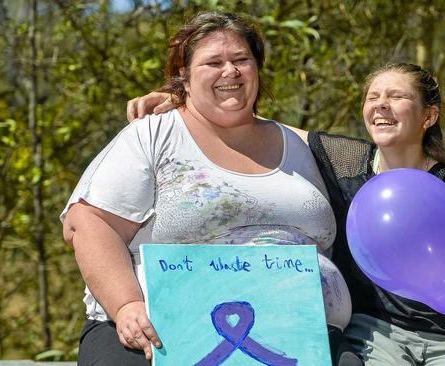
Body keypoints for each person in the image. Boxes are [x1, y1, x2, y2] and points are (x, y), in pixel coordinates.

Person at [130, 63, 445, 365]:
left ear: (428, 115)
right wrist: (190, 103)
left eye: (397, 96)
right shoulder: (346, 160)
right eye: (373, 97)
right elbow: (264, 127)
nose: (381, 105)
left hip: (443, 340)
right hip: (372, 334)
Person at [61, 11, 360, 366]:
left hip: (297, 332)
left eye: (241, 60)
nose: (230, 71)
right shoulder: (154, 134)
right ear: (183, 78)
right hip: (161, 332)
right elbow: (88, 223)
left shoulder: (298, 144)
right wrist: (126, 305)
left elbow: (375, 155)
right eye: (213, 62)